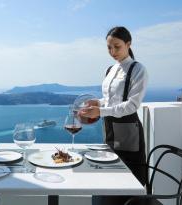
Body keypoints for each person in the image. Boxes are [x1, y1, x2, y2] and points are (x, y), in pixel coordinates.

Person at [78, 26, 148, 204]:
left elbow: (132, 105)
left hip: (128, 131)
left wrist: (101, 111)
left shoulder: (138, 69)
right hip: (109, 129)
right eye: (109, 47)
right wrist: (99, 102)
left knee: (128, 184)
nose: (113, 51)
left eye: (117, 46)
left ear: (128, 44)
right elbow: (112, 99)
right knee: (109, 177)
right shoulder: (110, 70)